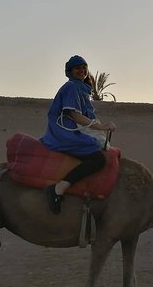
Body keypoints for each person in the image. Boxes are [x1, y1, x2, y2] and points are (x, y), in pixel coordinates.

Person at [40, 55, 116, 214]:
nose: (82, 70)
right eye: (77, 68)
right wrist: (101, 126)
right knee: (98, 159)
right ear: (70, 71)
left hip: (75, 128)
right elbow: (75, 115)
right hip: (65, 131)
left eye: (84, 67)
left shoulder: (82, 89)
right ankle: (58, 189)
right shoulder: (71, 87)